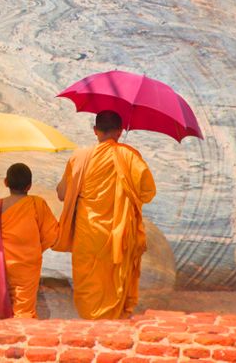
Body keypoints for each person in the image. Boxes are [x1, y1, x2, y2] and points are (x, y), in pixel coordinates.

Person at [55, 110, 156, 319]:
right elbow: (148, 192)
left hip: (87, 232)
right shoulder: (128, 155)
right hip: (117, 234)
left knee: (87, 282)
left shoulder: (79, 157)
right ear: (120, 131)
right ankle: (112, 328)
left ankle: (89, 324)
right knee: (114, 280)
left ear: (95, 131)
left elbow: (62, 194)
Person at [0, 163, 59, 319]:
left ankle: (8, 337)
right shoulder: (36, 203)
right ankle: (21, 337)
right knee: (24, 309)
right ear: (29, 186)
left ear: (6, 182)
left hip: (2, 264)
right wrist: (34, 249)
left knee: (5, 304)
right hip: (28, 266)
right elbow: (52, 235)